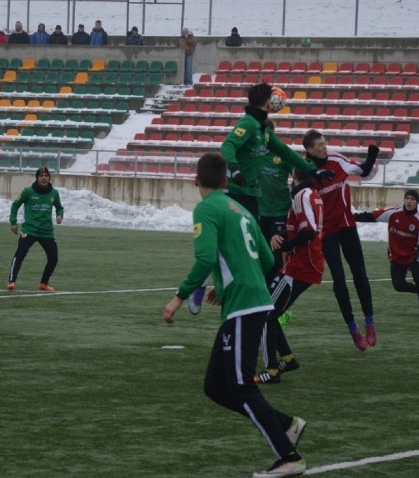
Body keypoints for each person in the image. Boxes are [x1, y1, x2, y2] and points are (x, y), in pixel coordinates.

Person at [162, 153, 307, 478]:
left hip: (245, 305)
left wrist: (178, 298)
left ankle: (289, 456)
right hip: (246, 301)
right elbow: (269, 259)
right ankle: (286, 424)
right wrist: (228, 285)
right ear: (226, 180)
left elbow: (203, 259)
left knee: (241, 385)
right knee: (216, 385)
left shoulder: (206, 208)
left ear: (196, 181)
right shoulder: (241, 209)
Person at [303, 129, 380, 351]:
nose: (324, 147)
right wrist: (312, 177)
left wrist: (372, 155)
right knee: (339, 280)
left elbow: (363, 171)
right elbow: (297, 193)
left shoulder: (337, 160)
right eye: (319, 145)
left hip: (346, 225)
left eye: (324, 143)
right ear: (309, 150)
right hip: (326, 232)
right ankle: (353, 328)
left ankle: (369, 322)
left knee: (360, 274)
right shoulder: (305, 170)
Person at [256, 166, 324, 385]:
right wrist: (281, 235)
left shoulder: (301, 196)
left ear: (293, 176)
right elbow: (301, 228)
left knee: (266, 313)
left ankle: (271, 370)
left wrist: (285, 243)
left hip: (303, 264)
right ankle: (287, 358)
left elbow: (309, 230)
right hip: (304, 262)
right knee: (272, 311)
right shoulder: (312, 194)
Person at [220, 82, 325, 220]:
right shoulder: (249, 123)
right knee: (241, 236)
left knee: (251, 236)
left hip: (250, 192)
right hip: (236, 191)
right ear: (269, 102)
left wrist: (311, 169)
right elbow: (227, 145)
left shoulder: (263, 129)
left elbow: (284, 151)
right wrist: (234, 168)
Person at [353, 189, 419, 317]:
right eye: (407, 198)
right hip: (397, 256)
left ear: (417, 202)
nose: (409, 201)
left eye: (412, 199)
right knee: (398, 285)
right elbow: (373, 216)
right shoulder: (393, 212)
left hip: (413, 256)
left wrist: (417, 259)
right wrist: (353, 217)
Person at [7, 167, 64, 292]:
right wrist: (13, 222)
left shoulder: (54, 193)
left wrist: (60, 215)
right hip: (29, 230)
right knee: (20, 255)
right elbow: (15, 204)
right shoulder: (28, 192)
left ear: (49, 178)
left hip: (47, 232)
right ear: (37, 178)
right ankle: (11, 281)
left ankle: (43, 283)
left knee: (53, 258)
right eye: (41, 175)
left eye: (46, 175)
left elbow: (59, 207)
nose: (44, 177)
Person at [257, 120, 293, 283]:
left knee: (276, 257)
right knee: (259, 256)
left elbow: (299, 176)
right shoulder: (252, 155)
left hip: (279, 212)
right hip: (258, 213)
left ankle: (277, 301)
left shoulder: (283, 153)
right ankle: (262, 297)